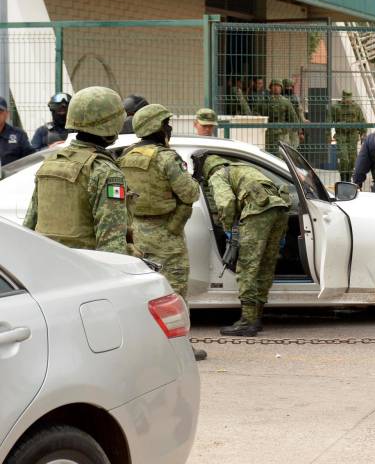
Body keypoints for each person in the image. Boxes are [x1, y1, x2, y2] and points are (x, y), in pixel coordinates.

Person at [118, 104, 206, 361]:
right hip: (166, 235)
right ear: (156, 128)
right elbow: (190, 193)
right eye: (166, 124)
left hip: (135, 233)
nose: (169, 128)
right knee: (175, 292)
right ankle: (180, 349)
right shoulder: (167, 158)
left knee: (141, 293)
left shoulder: (125, 156)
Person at [23, 86, 130, 254]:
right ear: (110, 124)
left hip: (45, 266)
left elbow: (29, 226)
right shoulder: (105, 171)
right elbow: (112, 245)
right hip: (85, 271)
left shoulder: (51, 163)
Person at [202, 154, 291, 337]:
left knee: (247, 267)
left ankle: (247, 322)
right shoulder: (244, 168)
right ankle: (256, 317)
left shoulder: (218, 174)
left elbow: (225, 203)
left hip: (258, 212)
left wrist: (229, 229)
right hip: (280, 210)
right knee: (265, 266)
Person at [329, 90, 366, 182]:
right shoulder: (335, 107)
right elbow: (328, 122)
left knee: (352, 159)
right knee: (344, 158)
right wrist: (328, 136)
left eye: (349, 100)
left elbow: (362, 121)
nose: (348, 102)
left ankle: (349, 178)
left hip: (353, 135)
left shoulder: (356, 107)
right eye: (346, 100)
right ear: (342, 98)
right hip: (341, 135)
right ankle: (343, 178)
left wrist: (363, 134)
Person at [265, 79, 301, 156]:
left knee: (282, 157)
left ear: (281, 88)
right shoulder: (264, 101)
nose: (276, 88)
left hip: (282, 135)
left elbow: (294, 119)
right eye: (274, 86)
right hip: (268, 135)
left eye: (278, 86)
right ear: (270, 87)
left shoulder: (286, 102)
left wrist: (297, 131)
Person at [0, 96, 33, 167]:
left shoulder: (19, 135)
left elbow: (31, 158)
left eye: (0, 112)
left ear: (7, 114)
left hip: (12, 177)